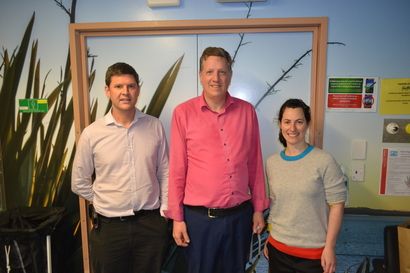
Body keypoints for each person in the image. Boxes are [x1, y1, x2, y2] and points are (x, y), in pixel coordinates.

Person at [166, 46, 270, 273]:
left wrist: (259, 208)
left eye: (222, 72)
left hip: (239, 218)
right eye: (210, 71)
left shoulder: (246, 112)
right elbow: (177, 170)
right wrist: (177, 218)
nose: (216, 78)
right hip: (199, 221)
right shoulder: (183, 113)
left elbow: (254, 163)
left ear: (230, 76)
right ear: (201, 75)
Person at [71, 62, 169, 273]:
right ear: (107, 90)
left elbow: (165, 172)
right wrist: (104, 201)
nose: (125, 92)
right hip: (109, 229)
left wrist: (164, 212)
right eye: (118, 86)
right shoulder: (92, 133)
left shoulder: (154, 126)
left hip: (150, 226)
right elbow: (79, 181)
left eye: (131, 86)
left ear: (138, 89)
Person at [264, 98, 347, 273]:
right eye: (287, 122)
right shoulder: (272, 163)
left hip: (313, 255)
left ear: (307, 124)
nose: (292, 128)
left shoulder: (324, 161)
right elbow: (276, 203)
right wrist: (270, 238)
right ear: (280, 124)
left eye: (299, 122)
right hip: (278, 250)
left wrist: (330, 247)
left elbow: (337, 206)